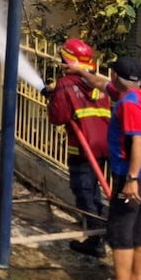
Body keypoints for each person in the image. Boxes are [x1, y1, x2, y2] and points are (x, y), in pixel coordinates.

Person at [68, 56, 141, 280]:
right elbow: (100, 84)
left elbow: (139, 142)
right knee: (139, 229)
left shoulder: (129, 105)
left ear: (114, 75)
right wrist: (81, 71)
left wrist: (131, 180)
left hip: (137, 176)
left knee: (120, 229)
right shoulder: (133, 94)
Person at [41, 38, 110, 257]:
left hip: (82, 147)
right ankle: (99, 228)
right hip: (103, 146)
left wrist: (53, 100)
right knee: (94, 190)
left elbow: (58, 117)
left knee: (83, 192)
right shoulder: (99, 81)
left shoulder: (66, 83)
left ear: (68, 59)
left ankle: (95, 239)